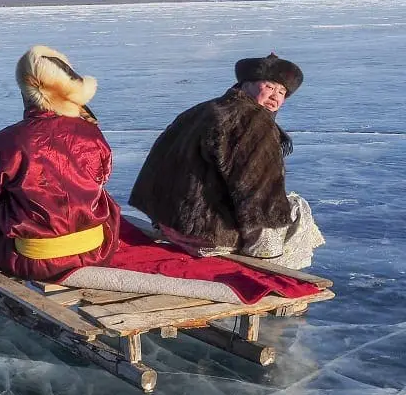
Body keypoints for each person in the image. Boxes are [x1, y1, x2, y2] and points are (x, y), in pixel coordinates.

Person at [129, 53, 323, 269]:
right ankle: (273, 271)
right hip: (208, 236)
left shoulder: (204, 109)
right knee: (296, 210)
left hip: (172, 225)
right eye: (269, 87)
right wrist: (263, 255)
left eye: (282, 92)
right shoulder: (252, 122)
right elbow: (258, 193)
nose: (275, 98)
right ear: (247, 84)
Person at [0, 45, 121, 282]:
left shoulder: (10, 140)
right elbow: (102, 177)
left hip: (36, 262)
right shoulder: (93, 134)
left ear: (27, 92)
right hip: (96, 252)